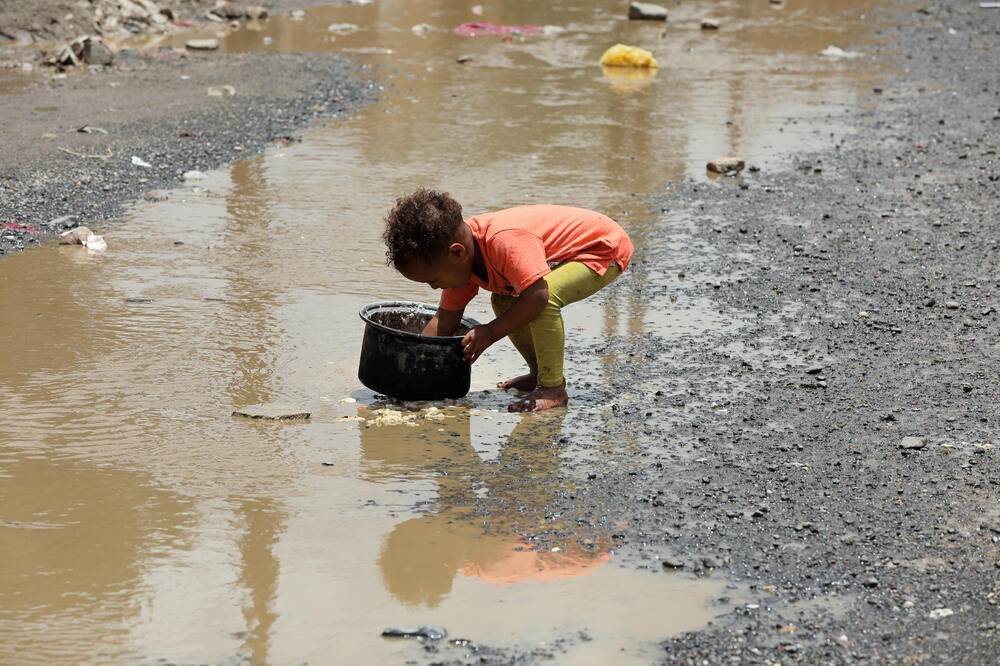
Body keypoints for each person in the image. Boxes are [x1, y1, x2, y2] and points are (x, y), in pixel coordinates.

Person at [382, 188, 634, 412]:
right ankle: (540, 375)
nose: (434, 286)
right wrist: (411, 370)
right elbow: (444, 319)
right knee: (504, 301)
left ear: (457, 252)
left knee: (543, 302)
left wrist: (489, 332)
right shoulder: (461, 262)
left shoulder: (504, 241)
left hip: (600, 248)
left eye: (433, 279)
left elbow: (537, 296)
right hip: (564, 255)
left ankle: (553, 388)